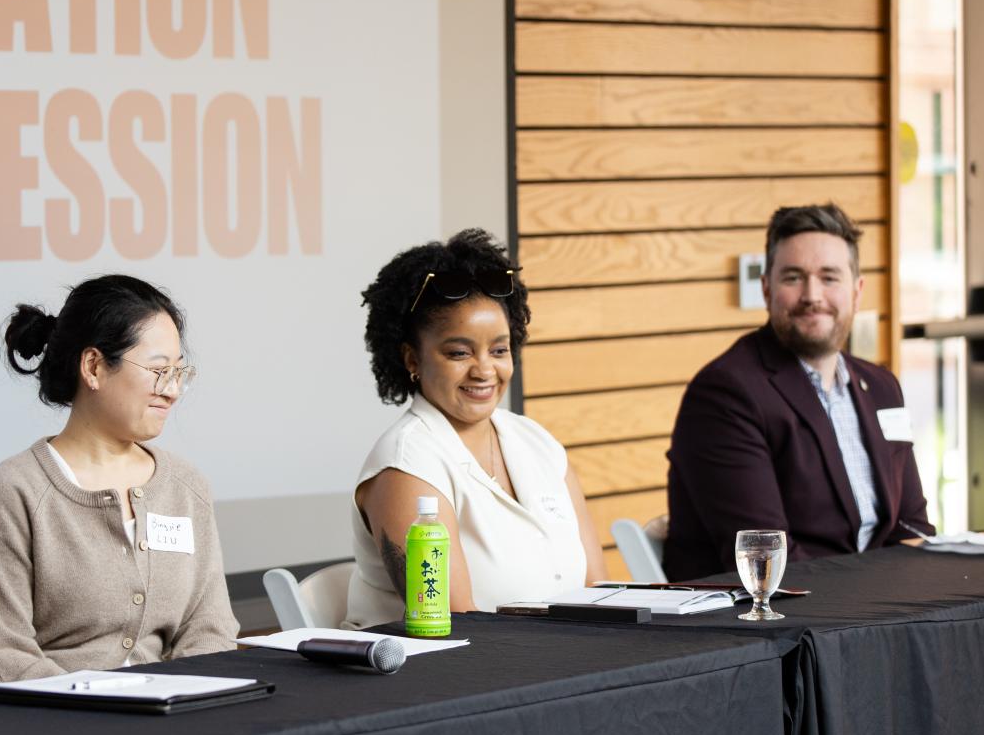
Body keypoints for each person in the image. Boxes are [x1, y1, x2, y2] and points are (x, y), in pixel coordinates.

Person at [0, 275, 237, 682]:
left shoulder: (186, 486)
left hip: (180, 717)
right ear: (93, 367)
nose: (174, 390)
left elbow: (210, 627)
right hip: (65, 727)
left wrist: (181, 697)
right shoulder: (13, 492)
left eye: (180, 372)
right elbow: (7, 655)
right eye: (159, 370)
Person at [345, 229, 608, 628]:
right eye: (459, 352)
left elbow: (596, 588)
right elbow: (455, 623)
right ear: (412, 359)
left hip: (552, 665)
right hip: (443, 677)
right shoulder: (405, 466)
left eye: (499, 350)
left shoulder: (537, 442)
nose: (485, 369)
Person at [664, 204, 932, 581]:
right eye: (794, 277)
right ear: (766, 288)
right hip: (772, 623)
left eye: (829, 277)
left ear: (857, 291)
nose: (812, 295)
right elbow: (766, 560)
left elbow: (912, 527)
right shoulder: (725, 395)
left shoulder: (883, 388)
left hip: (875, 614)